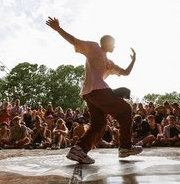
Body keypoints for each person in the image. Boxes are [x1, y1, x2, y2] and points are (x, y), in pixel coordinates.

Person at [46, 17, 142, 164]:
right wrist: (58, 29)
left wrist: (133, 61)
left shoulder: (109, 63)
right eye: (113, 44)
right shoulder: (94, 47)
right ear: (106, 43)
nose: (115, 47)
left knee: (99, 124)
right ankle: (125, 147)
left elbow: (125, 72)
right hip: (98, 90)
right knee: (125, 110)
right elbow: (74, 41)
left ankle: (79, 150)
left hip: (89, 94)